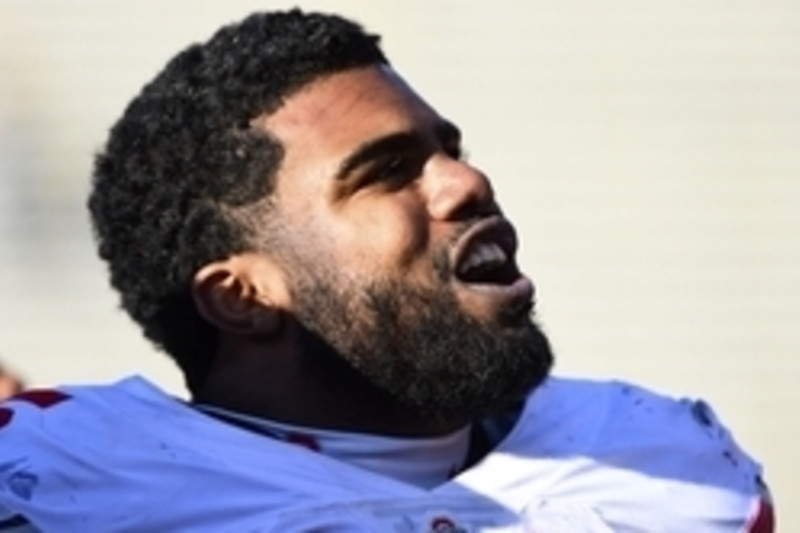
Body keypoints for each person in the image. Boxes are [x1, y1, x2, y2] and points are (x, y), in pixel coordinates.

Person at [0, 9, 773, 532]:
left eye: (448, 149)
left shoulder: (669, 466)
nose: (464, 184)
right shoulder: (61, 483)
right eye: (385, 171)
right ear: (241, 297)